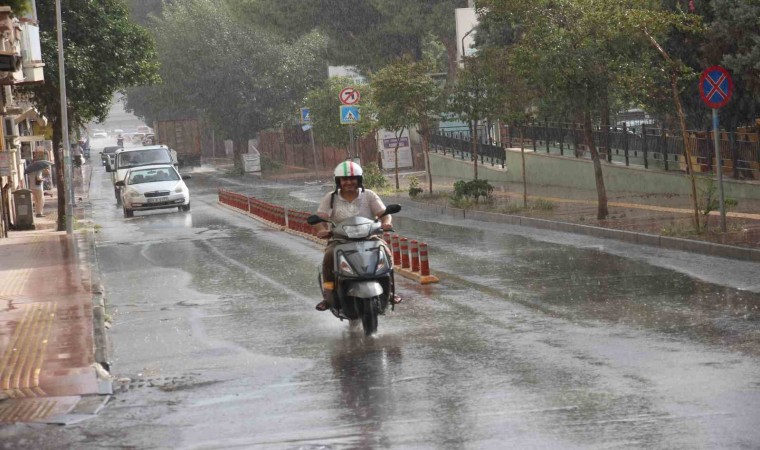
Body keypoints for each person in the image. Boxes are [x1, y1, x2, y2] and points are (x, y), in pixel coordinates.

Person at [313, 161, 397, 311]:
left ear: (359, 180)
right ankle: (328, 296)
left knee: (386, 252)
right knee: (328, 258)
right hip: (339, 241)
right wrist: (321, 230)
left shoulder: (369, 195)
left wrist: (386, 223)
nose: (349, 182)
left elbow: (384, 214)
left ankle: (389, 291)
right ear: (339, 181)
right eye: (345, 179)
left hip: (370, 238)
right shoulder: (331, 198)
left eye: (353, 179)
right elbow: (319, 218)